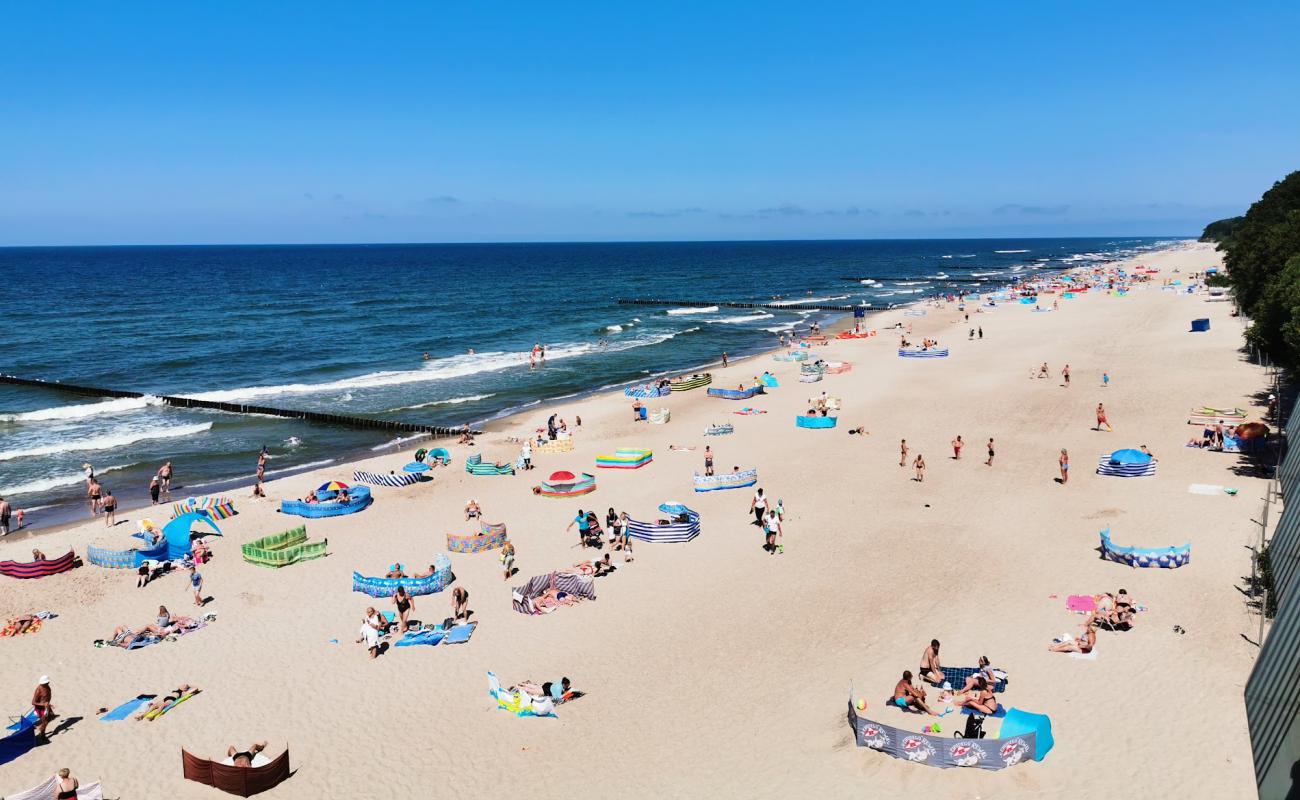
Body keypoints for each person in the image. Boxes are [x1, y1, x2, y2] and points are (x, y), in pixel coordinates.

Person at [134, 683, 200, 720]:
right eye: (184, 686)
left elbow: (196, 688)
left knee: (162, 706)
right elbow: (181, 685)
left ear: (186, 689)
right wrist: (185, 685)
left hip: (171, 700)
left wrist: (189, 687)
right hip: (165, 698)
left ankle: (153, 716)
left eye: (185, 686)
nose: (184, 686)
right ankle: (143, 715)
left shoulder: (184, 693)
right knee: (153, 706)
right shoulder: (178, 688)